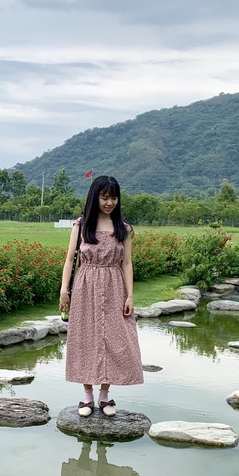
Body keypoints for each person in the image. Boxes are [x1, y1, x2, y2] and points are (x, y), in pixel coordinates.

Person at [59, 175, 143, 417]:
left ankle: (105, 396)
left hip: (115, 286)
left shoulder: (123, 228)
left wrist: (130, 296)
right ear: (94, 197)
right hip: (86, 286)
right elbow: (69, 260)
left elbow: (127, 263)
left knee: (117, 338)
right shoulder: (81, 225)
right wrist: (64, 289)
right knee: (85, 336)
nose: (110, 202)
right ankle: (87, 397)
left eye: (114, 197)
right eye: (105, 197)